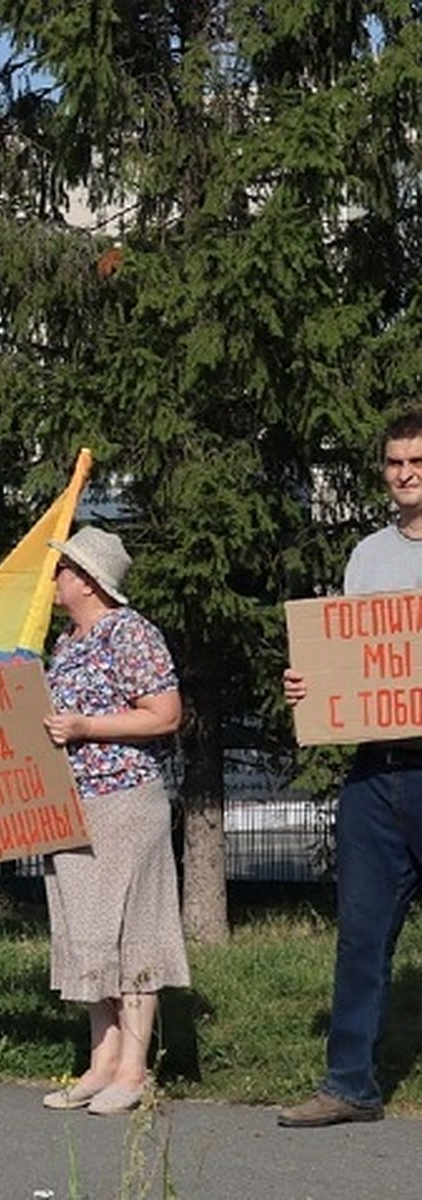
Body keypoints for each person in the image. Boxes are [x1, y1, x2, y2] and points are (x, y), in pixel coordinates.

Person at [278, 411, 422, 1127]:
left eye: (417, 461)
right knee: (362, 931)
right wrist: (311, 685)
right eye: (395, 462)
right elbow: (354, 659)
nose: (405, 473)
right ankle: (349, 1084)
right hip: (375, 771)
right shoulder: (366, 556)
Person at [39, 526, 190, 1115]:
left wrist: (87, 727)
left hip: (124, 799)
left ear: (86, 579)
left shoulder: (131, 634)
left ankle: (134, 1066)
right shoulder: (66, 642)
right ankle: (101, 1057)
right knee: (87, 932)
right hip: (72, 803)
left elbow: (165, 713)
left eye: (62, 569)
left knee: (132, 929)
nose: (53, 580)